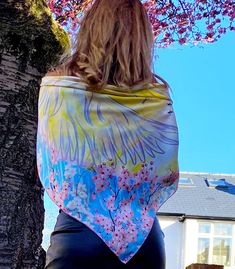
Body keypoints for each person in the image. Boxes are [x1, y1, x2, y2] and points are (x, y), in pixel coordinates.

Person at [36, 0, 179, 268]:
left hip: (79, 234)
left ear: (90, 29)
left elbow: (51, 164)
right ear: (143, 37)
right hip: (144, 240)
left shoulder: (56, 86)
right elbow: (163, 173)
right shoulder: (158, 97)